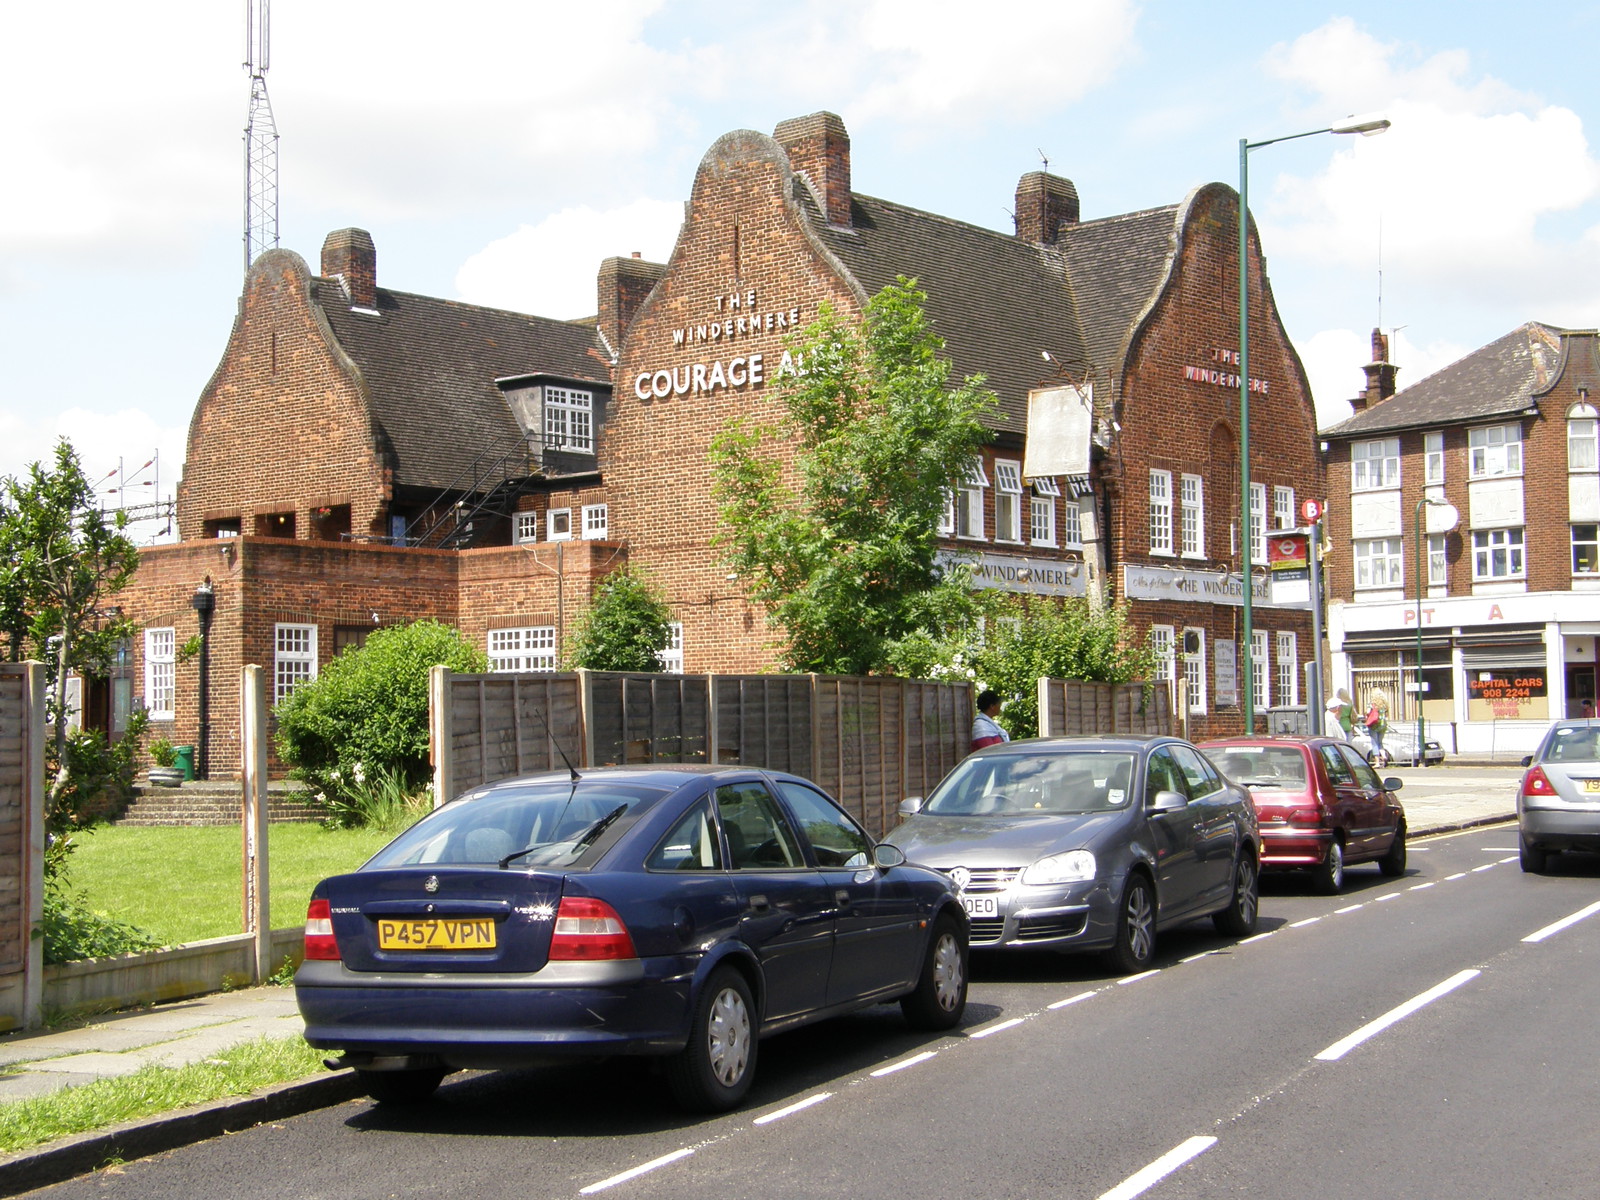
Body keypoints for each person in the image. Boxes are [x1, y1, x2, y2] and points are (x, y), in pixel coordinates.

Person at [1364, 689, 1390, 764]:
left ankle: (1377, 762)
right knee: (1380, 742)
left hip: (1374, 725)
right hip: (1383, 725)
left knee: (1374, 743)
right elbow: (1386, 714)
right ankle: (1384, 756)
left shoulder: (1372, 704)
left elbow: (1368, 712)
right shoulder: (1385, 705)